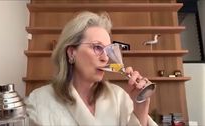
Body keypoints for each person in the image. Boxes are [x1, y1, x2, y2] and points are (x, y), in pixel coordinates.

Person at [25, 11, 158, 126]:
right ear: (72, 53)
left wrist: (140, 111)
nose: (105, 58)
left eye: (108, 50)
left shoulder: (120, 97)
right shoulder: (39, 101)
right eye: (98, 47)